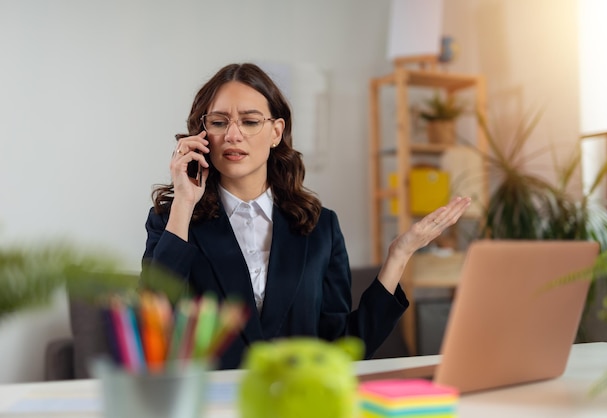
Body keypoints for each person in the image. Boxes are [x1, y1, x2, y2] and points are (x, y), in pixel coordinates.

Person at [142, 62, 471, 369]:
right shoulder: (173, 222)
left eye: (250, 121)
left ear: (276, 132)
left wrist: (400, 254)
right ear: (202, 135)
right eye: (218, 122)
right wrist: (184, 203)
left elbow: (342, 347)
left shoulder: (320, 227)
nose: (232, 134)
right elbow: (155, 327)